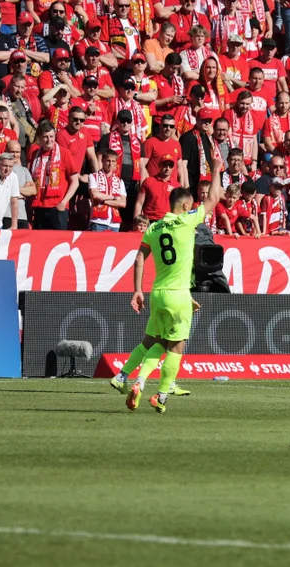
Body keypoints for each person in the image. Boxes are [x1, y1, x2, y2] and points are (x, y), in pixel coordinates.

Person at [108, 166, 223, 413]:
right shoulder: (186, 221)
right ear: (184, 207)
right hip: (178, 294)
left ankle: (133, 379)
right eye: (191, 205)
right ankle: (161, 395)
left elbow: (139, 259)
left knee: (155, 343)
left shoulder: (153, 227)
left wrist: (137, 290)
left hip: (156, 293)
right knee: (177, 346)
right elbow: (214, 197)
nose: (194, 209)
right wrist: (216, 169)